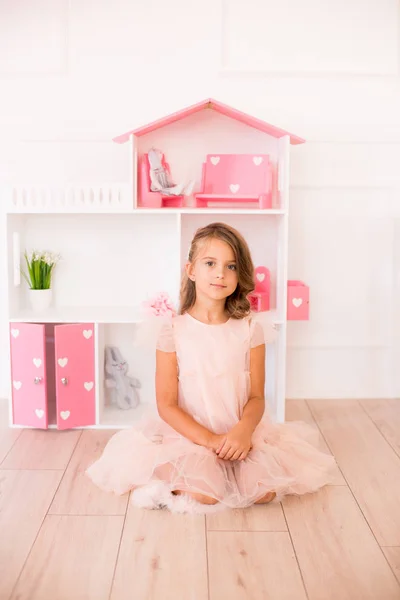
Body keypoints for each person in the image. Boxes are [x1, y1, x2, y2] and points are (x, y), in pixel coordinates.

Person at [86, 222, 337, 512]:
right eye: (210, 263)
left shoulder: (252, 327)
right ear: (191, 270)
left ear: (239, 274)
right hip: (190, 435)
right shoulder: (172, 330)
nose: (220, 273)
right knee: (207, 494)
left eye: (231, 266)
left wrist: (243, 432)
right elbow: (166, 405)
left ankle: (230, 463)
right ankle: (163, 472)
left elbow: (257, 396)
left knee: (264, 490)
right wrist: (210, 440)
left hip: (240, 432)